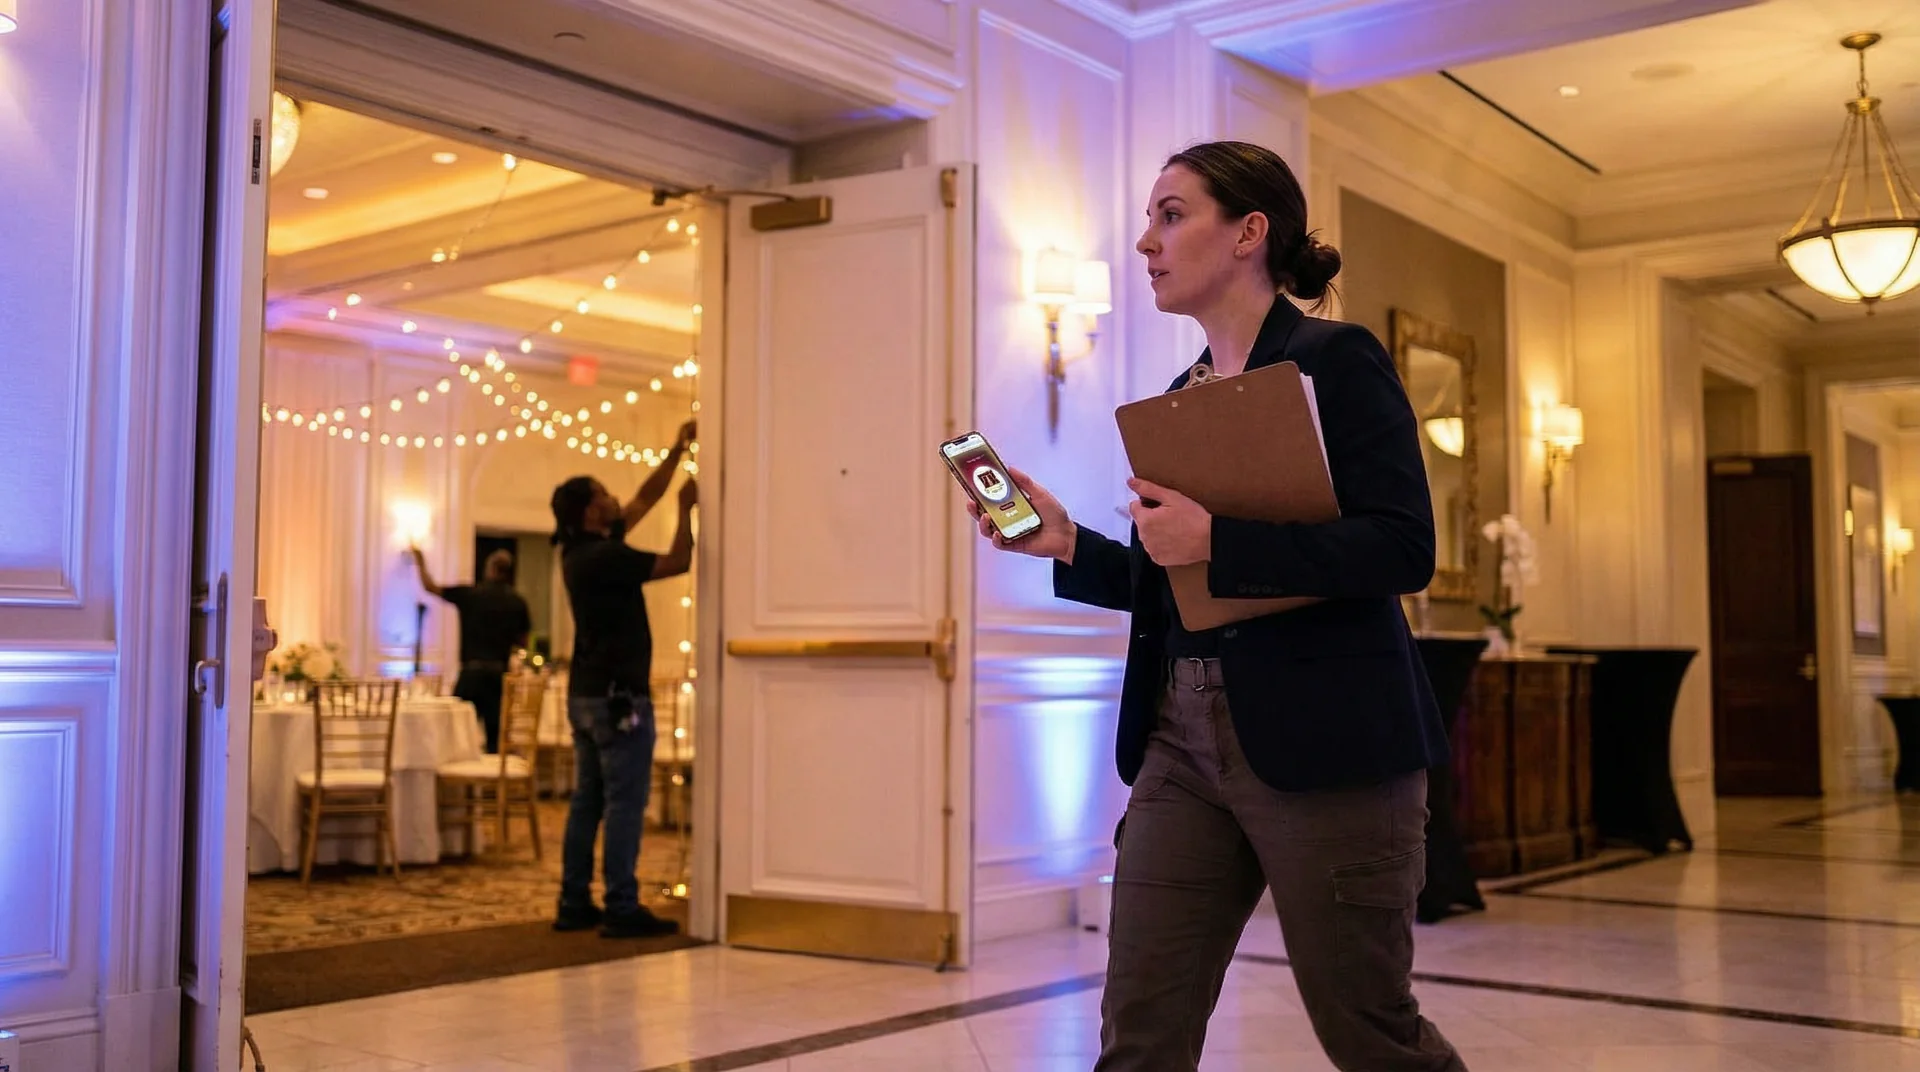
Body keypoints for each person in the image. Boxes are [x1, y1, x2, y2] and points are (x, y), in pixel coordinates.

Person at [968, 141, 1464, 1071]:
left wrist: (1217, 541)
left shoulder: (1335, 358)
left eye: (1170, 214)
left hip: (1330, 747)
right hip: (1180, 740)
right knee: (1140, 1029)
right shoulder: (1175, 400)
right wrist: (1069, 543)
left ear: (1248, 233)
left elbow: (1405, 547)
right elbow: (1180, 588)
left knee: (1369, 1030)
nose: (1145, 242)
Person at [546, 419, 697, 939]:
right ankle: (621, 907)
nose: (616, 498)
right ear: (592, 510)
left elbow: (641, 499)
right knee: (624, 802)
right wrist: (687, 509)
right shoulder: (606, 557)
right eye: (604, 494)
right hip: (618, 699)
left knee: (587, 799)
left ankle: (573, 903)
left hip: (585, 695)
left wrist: (677, 451)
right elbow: (678, 561)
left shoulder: (578, 553)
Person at [408, 545, 531, 753]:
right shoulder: (517, 602)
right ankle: (491, 779)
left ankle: (460, 773)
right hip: (497, 675)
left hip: (472, 673)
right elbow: (524, 642)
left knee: (454, 729)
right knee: (494, 737)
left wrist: (420, 559)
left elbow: (430, 587)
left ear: (490, 569)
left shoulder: (472, 595)